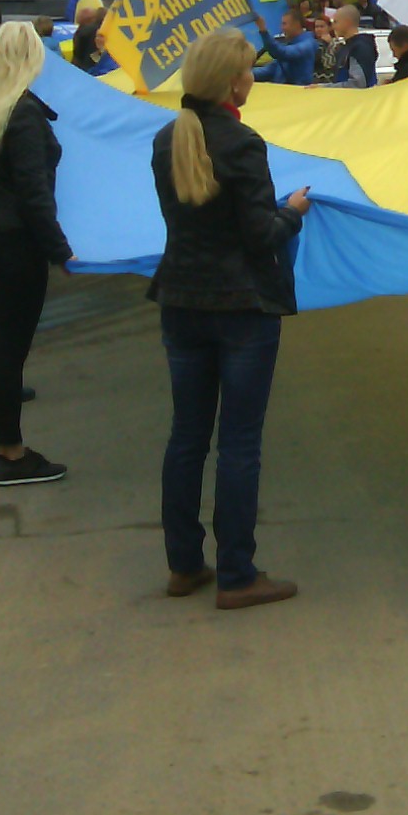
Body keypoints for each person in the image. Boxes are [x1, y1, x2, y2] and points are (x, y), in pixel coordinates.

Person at [149, 30, 311, 609]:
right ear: (231, 82)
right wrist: (291, 213)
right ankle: (238, 573)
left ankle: (184, 565)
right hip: (242, 308)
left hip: (181, 302)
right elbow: (257, 236)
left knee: (187, 436)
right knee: (239, 442)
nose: (252, 77)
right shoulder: (242, 142)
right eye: (247, 70)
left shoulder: (168, 138)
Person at [0, 20, 72, 484]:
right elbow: (34, 191)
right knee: (11, 351)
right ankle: (11, 451)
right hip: (16, 241)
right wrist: (59, 249)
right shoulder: (23, 112)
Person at [264, 7, 318, 86]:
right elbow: (271, 69)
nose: (282, 28)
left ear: (296, 24)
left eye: (284, 24)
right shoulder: (289, 43)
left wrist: (263, 32)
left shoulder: (308, 44)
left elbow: (282, 53)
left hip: (299, 95)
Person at [329, 3, 378, 89]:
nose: (333, 26)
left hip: (358, 100)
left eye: (335, 22)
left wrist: (325, 88)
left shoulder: (360, 47)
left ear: (347, 22)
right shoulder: (348, 46)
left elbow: (358, 84)